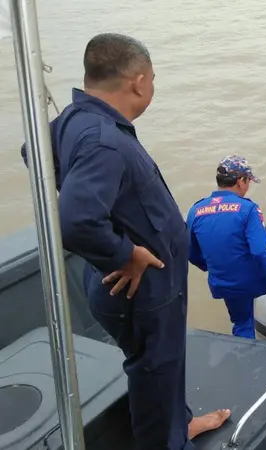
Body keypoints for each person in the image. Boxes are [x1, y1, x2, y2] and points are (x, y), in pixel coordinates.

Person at [20, 33, 229, 450]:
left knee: (163, 366)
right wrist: (126, 252)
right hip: (140, 287)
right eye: (152, 78)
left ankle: (178, 427)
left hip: (125, 283)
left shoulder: (76, 121)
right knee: (156, 369)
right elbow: (75, 219)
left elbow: (33, 152)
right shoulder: (103, 141)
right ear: (137, 81)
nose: (152, 86)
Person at [186, 155, 266, 340]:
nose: (248, 186)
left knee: (242, 323)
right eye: (248, 181)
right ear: (240, 181)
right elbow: (260, 252)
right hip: (255, 280)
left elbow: (190, 252)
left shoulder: (195, 211)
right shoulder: (248, 209)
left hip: (223, 283)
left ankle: (245, 359)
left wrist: (214, 268)